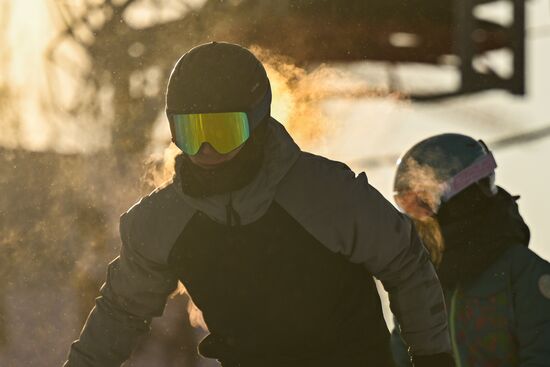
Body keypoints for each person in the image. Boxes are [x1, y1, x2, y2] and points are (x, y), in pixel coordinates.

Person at [64, 42, 454, 367]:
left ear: (257, 120)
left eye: (222, 131)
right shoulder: (161, 223)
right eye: (190, 132)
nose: (207, 151)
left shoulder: (325, 195)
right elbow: (121, 310)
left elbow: (405, 262)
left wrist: (432, 356)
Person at [391, 133, 550, 367]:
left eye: (423, 203)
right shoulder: (421, 284)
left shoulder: (524, 274)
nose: (418, 220)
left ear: (459, 198)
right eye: (410, 207)